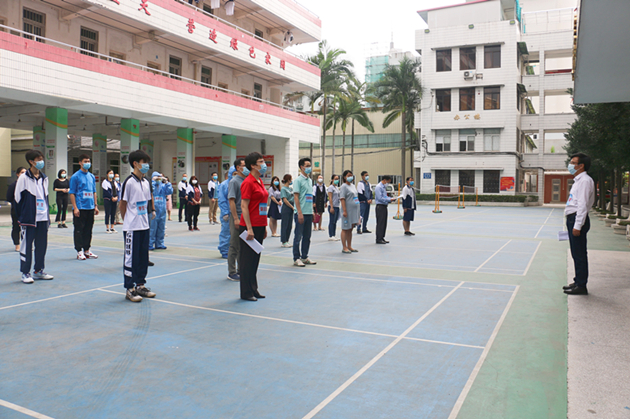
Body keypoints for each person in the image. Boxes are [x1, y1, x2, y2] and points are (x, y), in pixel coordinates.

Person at [119, 149, 156, 303]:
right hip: (132, 227)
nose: (146, 165)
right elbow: (123, 204)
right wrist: (127, 220)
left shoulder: (146, 182)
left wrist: (152, 210)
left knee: (142, 257)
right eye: (144, 163)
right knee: (131, 259)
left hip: (144, 226)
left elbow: (148, 199)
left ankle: (141, 284)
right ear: (135, 164)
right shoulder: (129, 182)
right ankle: (130, 288)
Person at [14, 151, 54, 283]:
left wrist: (47, 216)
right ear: (31, 161)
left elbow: (45, 197)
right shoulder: (24, 178)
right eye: (39, 159)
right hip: (29, 219)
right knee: (27, 246)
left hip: (43, 218)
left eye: (42, 159)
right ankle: (25, 272)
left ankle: (38, 270)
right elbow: (17, 199)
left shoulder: (44, 178)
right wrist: (24, 216)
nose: (41, 161)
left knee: (42, 246)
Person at [563, 153, 595, 296]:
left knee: (580, 253)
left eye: (572, 162)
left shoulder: (584, 181)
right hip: (573, 218)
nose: (570, 165)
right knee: (576, 253)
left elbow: (583, 205)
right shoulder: (579, 180)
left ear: (580, 166)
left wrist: (578, 225)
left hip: (577, 218)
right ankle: (578, 281)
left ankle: (581, 285)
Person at [239, 152, 269, 301]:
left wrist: (264, 226)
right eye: (261, 162)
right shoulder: (248, 182)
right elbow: (244, 206)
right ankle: (246, 292)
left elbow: (262, 205)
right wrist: (249, 228)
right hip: (248, 227)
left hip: (259, 225)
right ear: (253, 165)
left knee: (255, 259)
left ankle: (254, 289)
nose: (264, 164)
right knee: (247, 260)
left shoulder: (260, 181)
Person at [69, 154, 99, 260]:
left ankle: (87, 250)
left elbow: (94, 192)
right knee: (79, 230)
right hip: (80, 208)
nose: (87, 163)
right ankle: (79, 251)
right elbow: (72, 193)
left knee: (88, 230)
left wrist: (95, 206)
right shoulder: (75, 177)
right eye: (85, 161)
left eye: (88, 161)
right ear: (80, 163)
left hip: (90, 208)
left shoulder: (91, 176)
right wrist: (75, 207)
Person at [293, 157, 316, 267]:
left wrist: (311, 211)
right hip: (300, 213)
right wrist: (299, 213)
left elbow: (309, 197)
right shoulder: (298, 180)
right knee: (298, 236)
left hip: (308, 212)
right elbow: (296, 197)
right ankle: (296, 258)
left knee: (307, 236)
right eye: (307, 166)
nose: (309, 168)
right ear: (301, 167)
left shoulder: (310, 180)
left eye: (309, 166)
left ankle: (305, 256)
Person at [228, 158, 247, 281]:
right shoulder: (234, 182)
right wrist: (235, 218)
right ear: (238, 168)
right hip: (238, 216)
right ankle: (232, 271)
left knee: (243, 246)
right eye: (243, 166)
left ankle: (241, 270)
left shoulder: (247, 181)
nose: (246, 168)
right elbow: (232, 200)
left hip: (246, 217)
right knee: (234, 245)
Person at [149, 172, 173, 250]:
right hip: (154, 210)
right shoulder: (152, 186)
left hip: (162, 210)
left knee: (161, 228)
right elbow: (149, 191)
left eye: (160, 177)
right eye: (157, 178)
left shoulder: (163, 187)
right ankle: (150, 243)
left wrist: (167, 182)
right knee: (152, 228)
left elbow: (169, 191)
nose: (159, 179)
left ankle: (160, 243)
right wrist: (153, 181)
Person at [340, 170, 360, 254]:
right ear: (344, 177)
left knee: (350, 228)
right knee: (345, 228)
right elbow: (342, 198)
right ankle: (344, 247)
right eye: (348, 175)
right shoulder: (344, 186)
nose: (350, 177)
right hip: (347, 211)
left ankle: (349, 245)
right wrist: (344, 210)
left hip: (354, 210)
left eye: (351, 175)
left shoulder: (352, 186)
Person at [7, 167, 27, 252]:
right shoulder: (13, 185)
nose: (24, 174)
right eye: (22, 172)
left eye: (25, 172)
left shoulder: (28, 185)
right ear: (18, 174)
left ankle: (25, 243)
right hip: (16, 209)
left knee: (26, 227)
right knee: (16, 227)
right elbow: (9, 197)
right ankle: (17, 244)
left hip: (26, 209)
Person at [375, 175, 397, 244]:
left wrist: (390, 199)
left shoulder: (383, 187)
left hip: (384, 206)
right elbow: (380, 198)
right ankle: (378, 238)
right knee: (380, 223)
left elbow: (384, 196)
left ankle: (382, 237)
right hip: (380, 206)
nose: (388, 183)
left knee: (384, 223)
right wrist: (389, 200)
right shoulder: (378, 187)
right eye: (388, 182)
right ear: (384, 180)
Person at [218, 168, 235, 259]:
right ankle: (224, 250)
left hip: (238, 212)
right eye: (234, 173)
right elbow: (222, 199)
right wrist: (225, 212)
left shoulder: (241, 183)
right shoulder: (224, 185)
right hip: (228, 213)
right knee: (226, 232)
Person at [280, 174, 294, 248]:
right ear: (288, 180)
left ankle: (287, 240)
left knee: (289, 225)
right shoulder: (283, 189)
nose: (291, 181)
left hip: (292, 206)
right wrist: (291, 207)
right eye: (291, 179)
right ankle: (283, 241)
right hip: (286, 207)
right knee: (285, 224)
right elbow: (285, 200)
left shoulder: (291, 189)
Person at [327, 174, 341, 241]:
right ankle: (331, 235)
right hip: (333, 206)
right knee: (332, 221)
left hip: (337, 206)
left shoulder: (336, 188)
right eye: (335, 179)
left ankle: (334, 234)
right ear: (332, 180)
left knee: (335, 221)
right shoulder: (331, 187)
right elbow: (330, 198)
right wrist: (331, 207)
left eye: (337, 179)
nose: (337, 180)